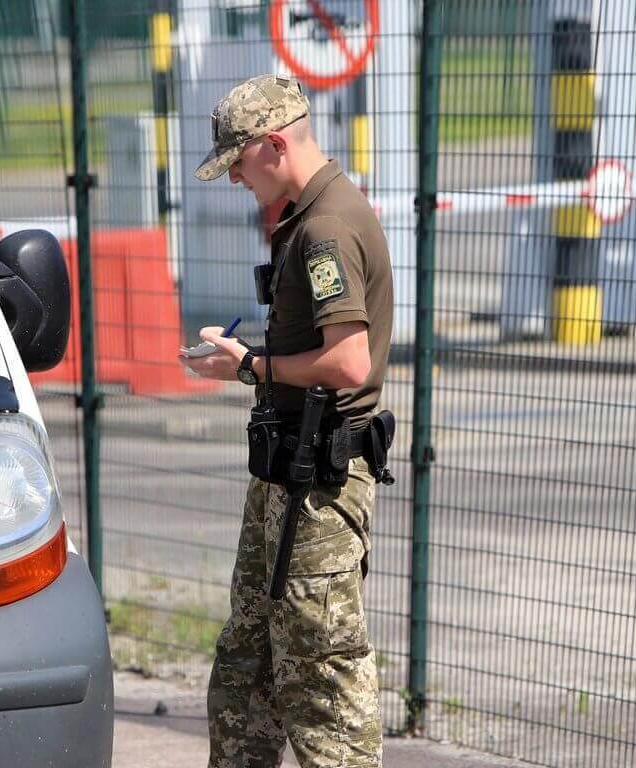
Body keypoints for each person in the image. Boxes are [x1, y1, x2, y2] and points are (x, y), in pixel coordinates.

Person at [180, 74, 393, 768]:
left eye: (239, 163)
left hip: (320, 486)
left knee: (321, 681)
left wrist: (252, 367)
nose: (236, 178)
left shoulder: (326, 227)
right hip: (286, 473)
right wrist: (246, 362)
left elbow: (349, 362)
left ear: (273, 146)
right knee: (247, 668)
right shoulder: (305, 214)